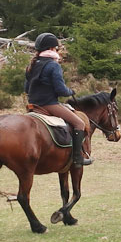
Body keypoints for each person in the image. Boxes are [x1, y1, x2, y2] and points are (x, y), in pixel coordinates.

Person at [25, 32, 93, 166]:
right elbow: (61, 90)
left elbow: (27, 89)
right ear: (51, 49)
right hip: (49, 105)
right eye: (56, 48)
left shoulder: (32, 65)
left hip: (33, 105)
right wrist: (70, 91)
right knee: (80, 124)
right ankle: (77, 158)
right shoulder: (53, 65)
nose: (57, 51)